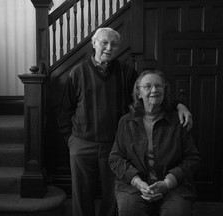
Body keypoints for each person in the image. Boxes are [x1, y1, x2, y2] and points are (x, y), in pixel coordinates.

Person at [58, 27, 193, 216]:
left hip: (114, 147)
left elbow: (148, 94)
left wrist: (178, 105)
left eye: (114, 44)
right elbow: (65, 110)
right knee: (81, 195)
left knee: (112, 197)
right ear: (94, 44)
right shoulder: (77, 72)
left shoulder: (127, 72)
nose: (109, 47)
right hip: (81, 144)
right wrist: (70, 140)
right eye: (104, 42)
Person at [109, 69, 200, 216]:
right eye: (147, 86)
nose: (154, 90)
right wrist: (138, 183)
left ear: (164, 90)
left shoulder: (179, 120)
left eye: (159, 86)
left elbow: (192, 158)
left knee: (176, 212)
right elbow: (115, 158)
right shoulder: (126, 122)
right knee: (129, 209)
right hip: (134, 185)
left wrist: (167, 183)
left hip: (175, 185)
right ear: (138, 93)